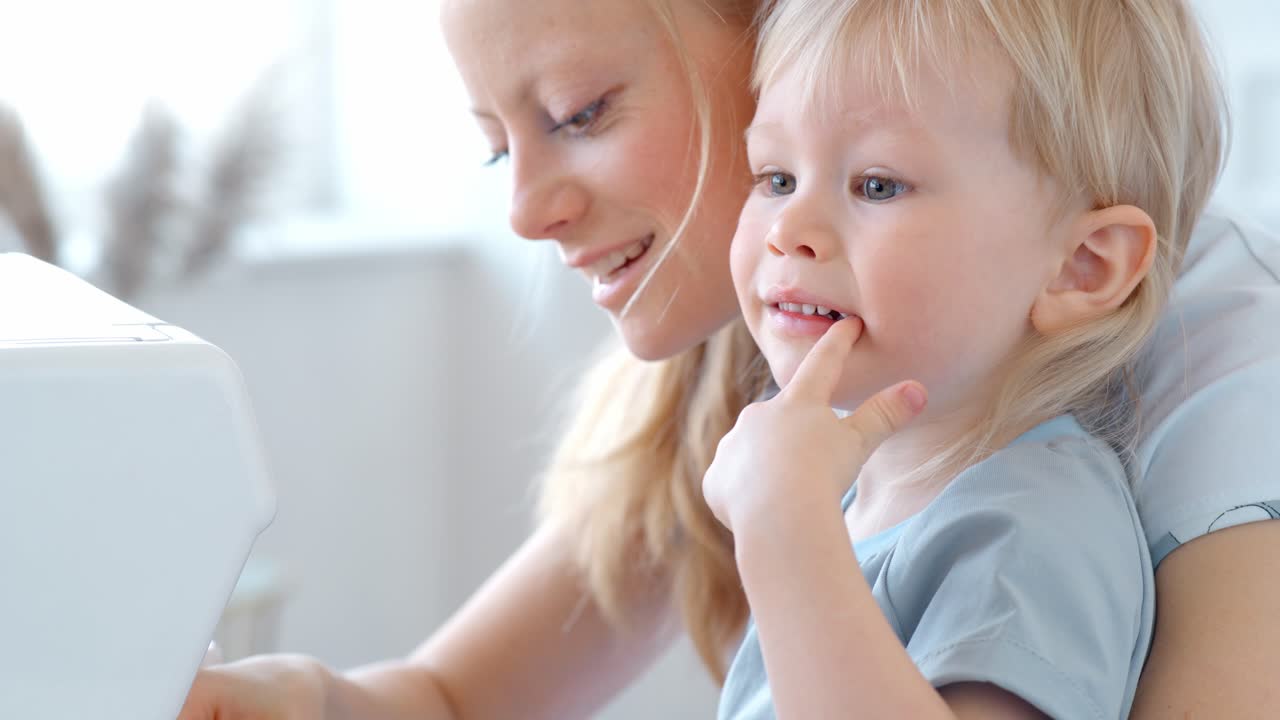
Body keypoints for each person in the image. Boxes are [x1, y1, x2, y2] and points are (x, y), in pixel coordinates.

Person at [177, 0, 1280, 718]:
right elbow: (454, 697)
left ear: (769, 35)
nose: (520, 210)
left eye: (580, 110)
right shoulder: (824, 411)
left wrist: (784, 531)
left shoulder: (1077, 476)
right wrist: (297, 695)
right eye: (496, 145)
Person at [704, 0, 1221, 716]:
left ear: (1081, 267)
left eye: (877, 185)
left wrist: (784, 528)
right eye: (776, 178)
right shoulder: (856, 488)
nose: (789, 230)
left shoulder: (1035, 529)